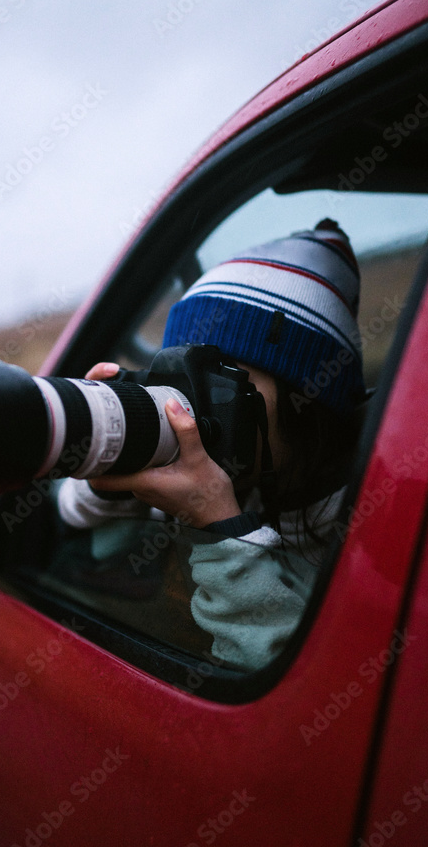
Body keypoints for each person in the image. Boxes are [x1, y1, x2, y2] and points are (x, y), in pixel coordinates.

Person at [58, 219, 365, 670]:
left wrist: (224, 529)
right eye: (182, 372)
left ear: (306, 402)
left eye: (219, 377)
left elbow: (299, 682)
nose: (193, 402)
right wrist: (115, 457)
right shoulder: (219, 470)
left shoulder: (363, 525)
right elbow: (72, 513)